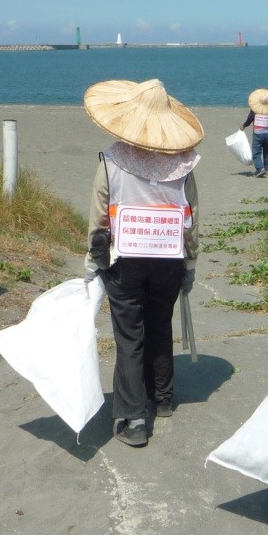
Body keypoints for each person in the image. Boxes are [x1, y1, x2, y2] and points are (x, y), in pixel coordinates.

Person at [83, 78, 201, 448]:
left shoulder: (111, 162)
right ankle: (162, 399)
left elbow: (99, 217)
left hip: (125, 262)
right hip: (168, 263)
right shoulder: (183, 166)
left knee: (130, 336)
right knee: (160, 326)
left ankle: (133, 417)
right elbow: (191, 217)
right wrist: (191, 262)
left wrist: (92, 260)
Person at [240, 88, 268, 177]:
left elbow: (249, 120)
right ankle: (267, 168)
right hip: (267, 134)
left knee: (256, 152)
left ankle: (260, 168)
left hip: (257, 134)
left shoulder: (254, 111)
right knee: (267, 151)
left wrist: (244, 126)